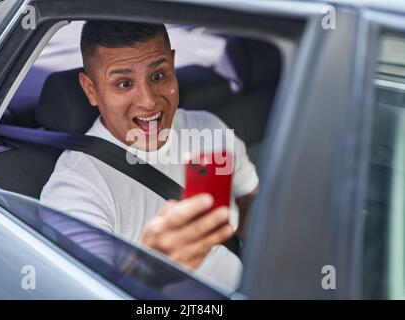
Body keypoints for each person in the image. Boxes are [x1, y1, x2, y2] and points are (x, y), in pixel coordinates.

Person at [40, 20, 258, 290]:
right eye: (123, 83)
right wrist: (148, 268)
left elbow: (250, 198)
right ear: (91, 90)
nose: (149, 100)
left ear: (173, 65)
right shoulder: (77, 186)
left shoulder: (208, 128)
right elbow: (84, 290)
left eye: (158, 76)